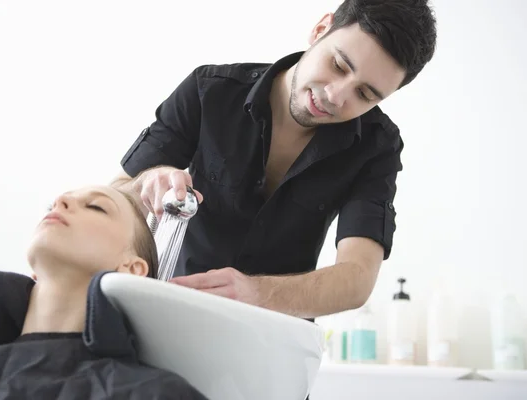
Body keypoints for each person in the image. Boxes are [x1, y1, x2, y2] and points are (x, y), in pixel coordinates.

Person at [111, 0, 438, 319]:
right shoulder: (209, 91)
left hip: (277, 338)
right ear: (320, 29)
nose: (335, 96)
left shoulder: (378, 145)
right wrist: (147, 181)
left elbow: (357, 278)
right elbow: (114, 196)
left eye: (364, 94)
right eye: (338, 65)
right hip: (172, 313)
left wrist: (256, 293)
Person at [0, 185, 208, 400]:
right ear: (35, 273)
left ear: (132, 269)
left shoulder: (155, 394)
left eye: (96, 207)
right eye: (54, 203)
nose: (60, 201)